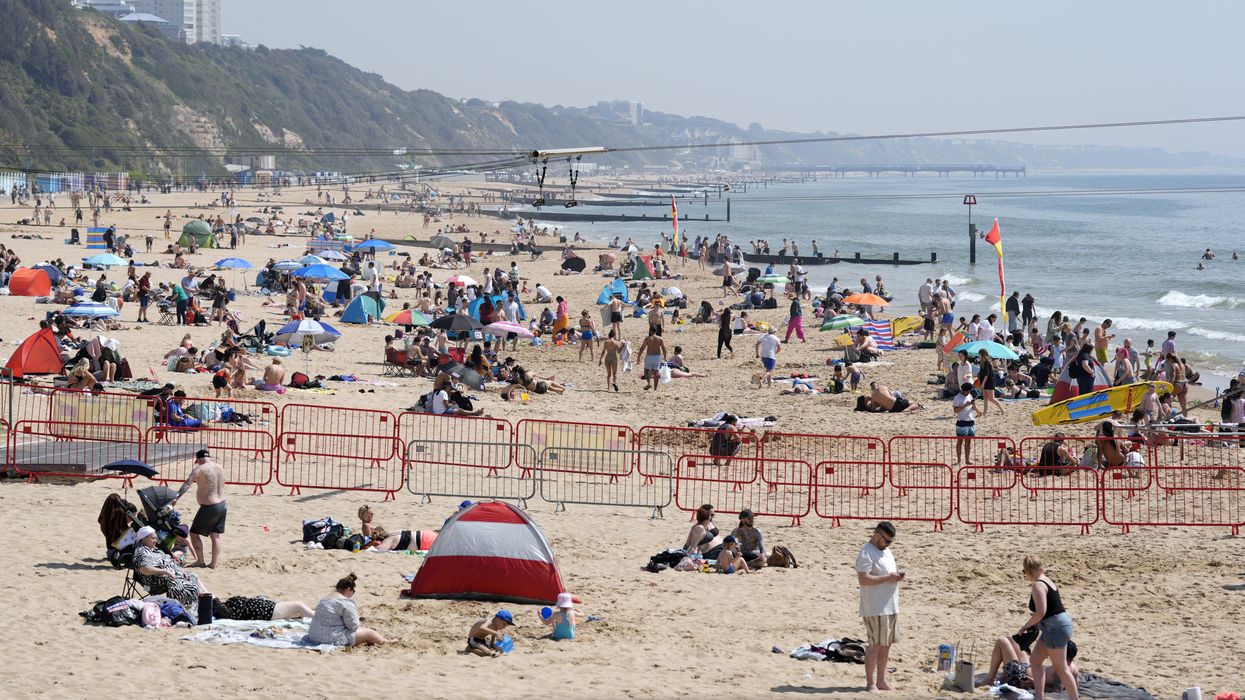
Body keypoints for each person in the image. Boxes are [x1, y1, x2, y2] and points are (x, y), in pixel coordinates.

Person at [1017, 555, 1079, 700]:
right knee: (1035, 661)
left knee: (1061, 668)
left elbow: (1041, 612)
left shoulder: (1038, 585)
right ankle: (1039, 696)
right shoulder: (1048, 581)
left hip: (1055, 628)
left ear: (1029, 570)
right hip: (1057, 625)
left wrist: (1025, 627)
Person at [856, 522, 903, 693]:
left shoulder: (885, 551)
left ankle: (881, 680)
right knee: (874, 645)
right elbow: (863, 579)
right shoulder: (866, 553)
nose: (888, 544)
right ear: (877, 535)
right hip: (875, 607)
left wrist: (895, 577)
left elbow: (886, 574)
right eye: (887, 541)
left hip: (890, 606)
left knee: (886, 645)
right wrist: (887, 578)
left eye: (890, 542)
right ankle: (870, 683)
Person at [171, 449, 227, 568]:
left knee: (194, 533)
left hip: (210, 507)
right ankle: (213, 564)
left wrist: (177, 497)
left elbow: (187, 483)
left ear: (198, 459)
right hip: (222, 504)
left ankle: (200, 561)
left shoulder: (200, 469)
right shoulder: (220, 467)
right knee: (215, 535)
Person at [307, 573, 393, 646]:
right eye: (353, 591)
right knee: (370, 633)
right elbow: (353, 626)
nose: (352, 594)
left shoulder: (324, 599)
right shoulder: (345, 602)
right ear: (348, 589)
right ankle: (387, 642)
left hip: (313, 636)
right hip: (329, 639)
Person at [985, 629, 1080, 692]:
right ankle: (1004, 673)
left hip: (1019, 676)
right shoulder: (1073, 667)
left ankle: (990, 679)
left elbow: (1056, 690)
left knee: (1002, 641)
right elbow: (1076, 687)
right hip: (1027, 668)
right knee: (1012, 640)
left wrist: (1034, 683)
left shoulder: (1061, 670)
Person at [951, 383, 980, 465]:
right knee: (960, 442)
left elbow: (972, 408)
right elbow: (955, 410)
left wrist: (975, 407)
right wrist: (965, 405)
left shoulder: (970, 395)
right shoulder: (957, 398)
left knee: (968, 442)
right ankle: (959, 460)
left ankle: (967, 460)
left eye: (969, 391)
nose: (968, 392)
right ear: (963, 390)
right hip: (961, 422)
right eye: (967, 391)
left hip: (971, 421)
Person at [978, 349, 1006, 416]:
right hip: (985, 382)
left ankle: (1002, 409)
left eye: (979, 354)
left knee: (991, 398)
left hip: (989, 382)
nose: (978, 355)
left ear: (982, 355)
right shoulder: (982, 362)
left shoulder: (987, 362)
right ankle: (985, 413)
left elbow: (986, 374)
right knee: (985, 398)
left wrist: (983, 383)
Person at [638, 326, 667, 391]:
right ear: (656, 331)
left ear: (650, 331)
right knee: (656, 373)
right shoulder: (660, 339)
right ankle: (655, 389)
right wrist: (665, 357)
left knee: (646, 371)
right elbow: (664, 349)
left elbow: (642, 348)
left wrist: (638, 357)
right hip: (657, 357)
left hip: (649, 356)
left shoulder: (647, 339)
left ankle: (649, 383)